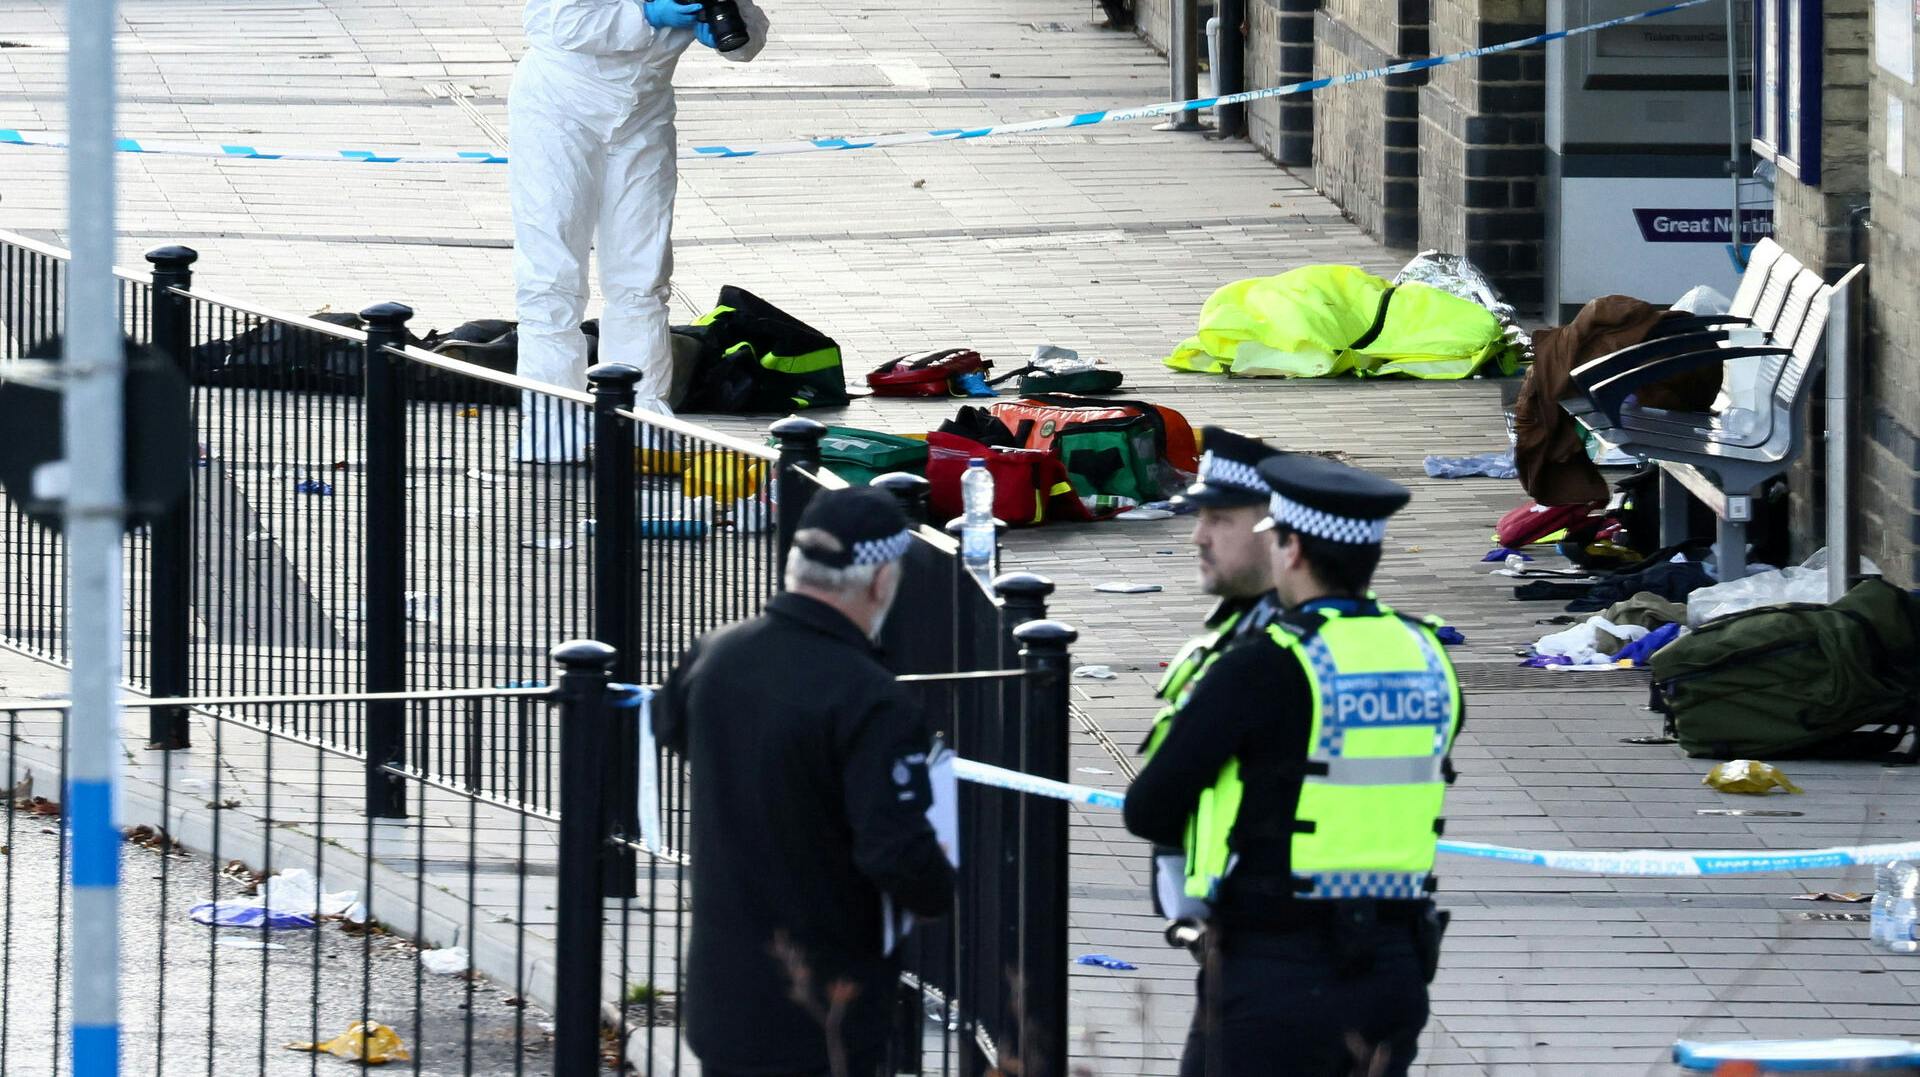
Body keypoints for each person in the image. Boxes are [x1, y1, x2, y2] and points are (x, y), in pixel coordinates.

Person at [1123, 452, 1463, 1077]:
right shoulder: (1427, 655)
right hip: (1394, 966)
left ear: (1293, 550)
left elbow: (1149, 808)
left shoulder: (1263, 666)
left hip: (1276, 970)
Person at [656, 487, 955, 1077]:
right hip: (824, 1008)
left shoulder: (716, 655)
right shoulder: (869, 698)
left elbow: (669, 725)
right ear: (880, 582)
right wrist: (937, 888)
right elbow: (895, 852)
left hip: (724, 995)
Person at [509, 0, 770, 461]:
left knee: (642, 275)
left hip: (643, 113)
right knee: (552, 273)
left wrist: (731, 27)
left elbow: (747, 43)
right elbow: (557, 21)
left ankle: (641, 418)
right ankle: (552, 423)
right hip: (558, 108)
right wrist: (646, 15)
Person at [1140, 428, 1282, 930]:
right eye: (1200, 518)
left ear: (1276, 531)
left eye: (1219, 519)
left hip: (1270, 938)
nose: (1198, 536)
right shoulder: (1238, 632)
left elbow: (1149, 806)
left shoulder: (1268, 654)